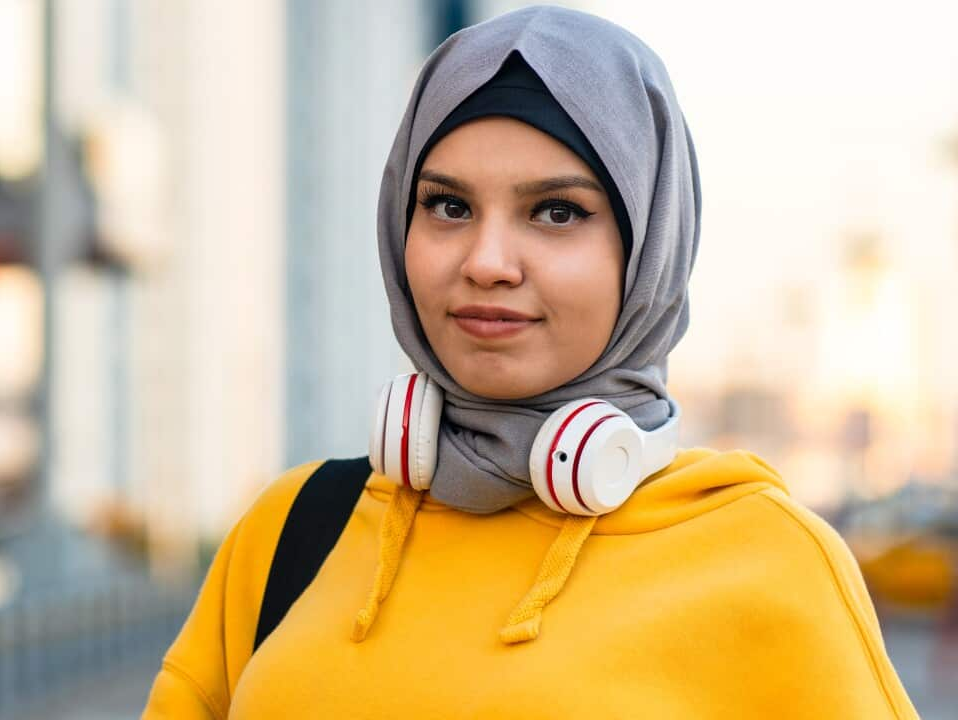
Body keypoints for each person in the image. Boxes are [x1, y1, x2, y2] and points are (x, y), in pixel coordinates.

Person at [141, 5, 919, 718]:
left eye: (557, 212)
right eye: (448, 205)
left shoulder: (768, 561)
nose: (486, 262)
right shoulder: (292, 529)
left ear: (647, 252)